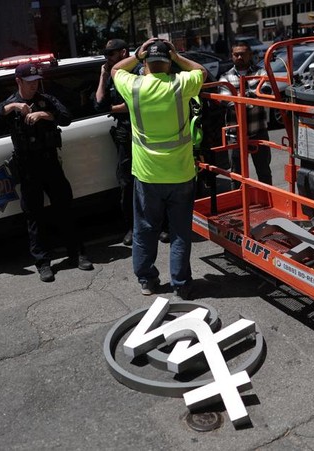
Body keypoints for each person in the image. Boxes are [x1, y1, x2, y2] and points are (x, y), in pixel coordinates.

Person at [111, 37, 207, 301]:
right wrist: (178, 57)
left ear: (147, 63)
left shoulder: (134, 86)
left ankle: (147, 280)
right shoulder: (181, 84)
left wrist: (137, 54)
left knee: (144, 229)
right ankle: (182, 283)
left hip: (147, 174)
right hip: (181, 173)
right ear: (167, 62)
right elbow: (201, 70)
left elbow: (115, 70)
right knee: (180, 232)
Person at [0, 63, 93, 283]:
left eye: (36, 82)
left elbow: (66, 117)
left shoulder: (46, 100)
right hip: (28, 168)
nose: (34, 86)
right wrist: (11, 108)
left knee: (65, 209)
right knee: (34, 216)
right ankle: (43, 263)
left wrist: (45, 114)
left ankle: (77, 254)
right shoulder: (11, 103)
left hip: (50, 163)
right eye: (30, 83)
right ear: (19, 82)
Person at [95, 39, 170, 247]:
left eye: (111, 54)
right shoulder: (112, 75)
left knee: (154, 182)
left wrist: (115, 107)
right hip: (124, 137)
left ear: (123, 53)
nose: (107, 58)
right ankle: (132, 228)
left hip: (144, 135)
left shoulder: (139, 71)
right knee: (127, 185)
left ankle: (163, 226)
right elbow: (99, 104)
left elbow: (142, 100)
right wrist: (102, 76)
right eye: (106, 54)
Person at [218, 42, 272, 187]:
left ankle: (267, 201)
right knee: (236, 175)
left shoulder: (261, 72)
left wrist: (241, 97)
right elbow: (226, 101)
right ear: (232, 56)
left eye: (243, 54)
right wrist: (253, 97)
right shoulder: (225, 77)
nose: (239, 57)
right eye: (236, 54)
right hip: (235, 135)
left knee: (264, 171)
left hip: (258, 131)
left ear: (250, 55)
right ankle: (240, 205)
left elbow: (266, 90)